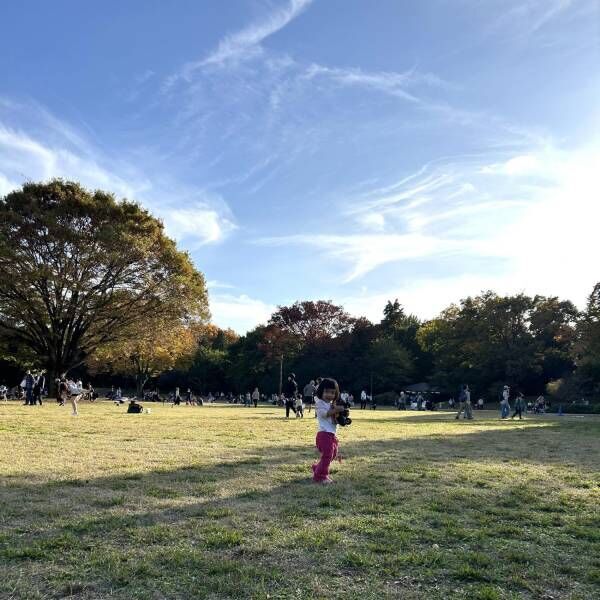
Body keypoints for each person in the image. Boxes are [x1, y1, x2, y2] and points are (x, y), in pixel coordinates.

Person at [312, 378, 347, 484]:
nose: (329, 395)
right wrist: (336, 410)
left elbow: (335, 419)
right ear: (321, 391)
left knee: (333, 454)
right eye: (327, 392)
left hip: (332, 435)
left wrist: (342, 416)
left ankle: (318, 467)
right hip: (323, 435)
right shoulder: (320, 403)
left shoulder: (332, 404)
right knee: (328, 454)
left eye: (332, 392)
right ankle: (320, 476)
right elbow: (323, 414)